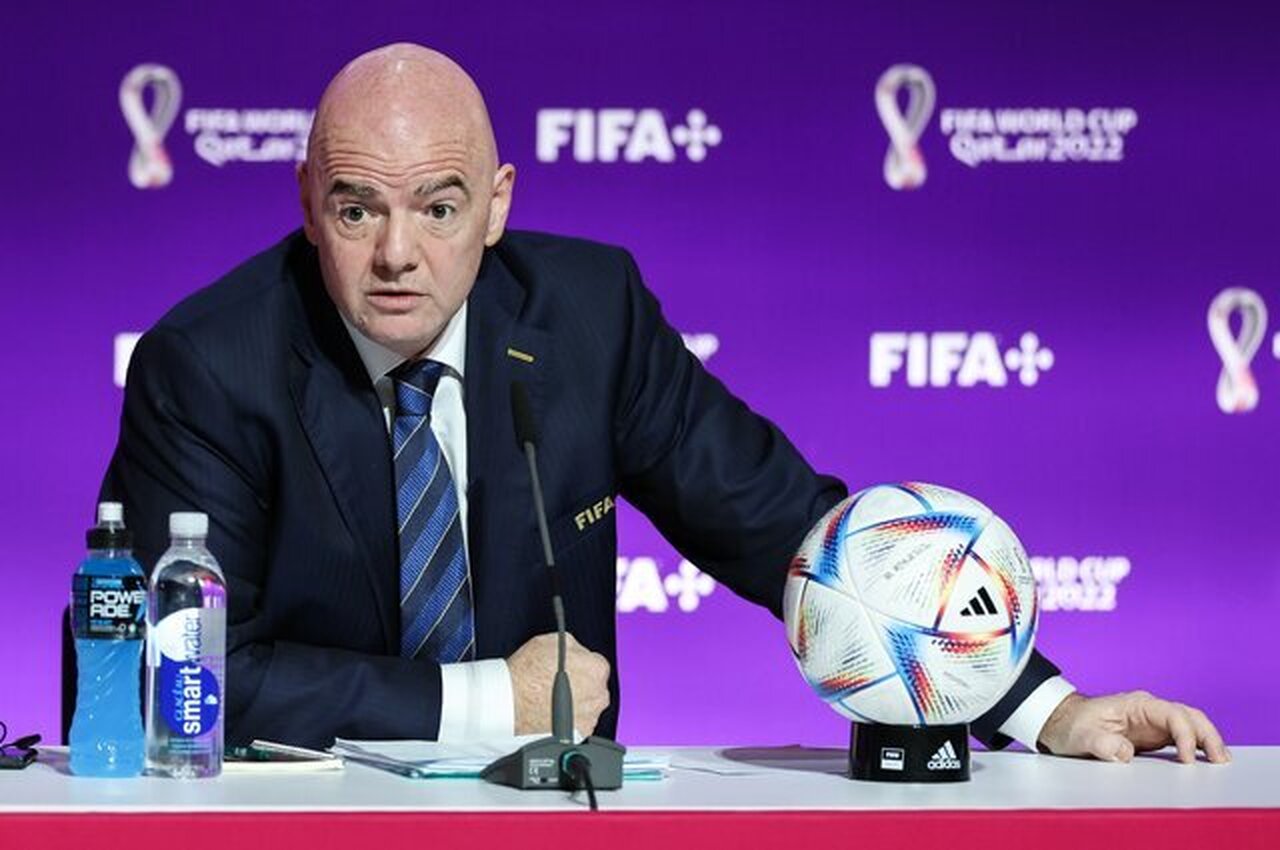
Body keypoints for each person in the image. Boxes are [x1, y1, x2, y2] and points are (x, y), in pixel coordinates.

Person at [103, 43, 1227, 764]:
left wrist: (1042, 707)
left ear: (496, 206)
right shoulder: (208, 366)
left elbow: (783, 524)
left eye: (438, 207)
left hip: (551, 809)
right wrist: (487, 700)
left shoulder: (587, 316)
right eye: (357, 209)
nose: (398, 254)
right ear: (308, 202)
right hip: (305, 819)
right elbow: (169, 670)